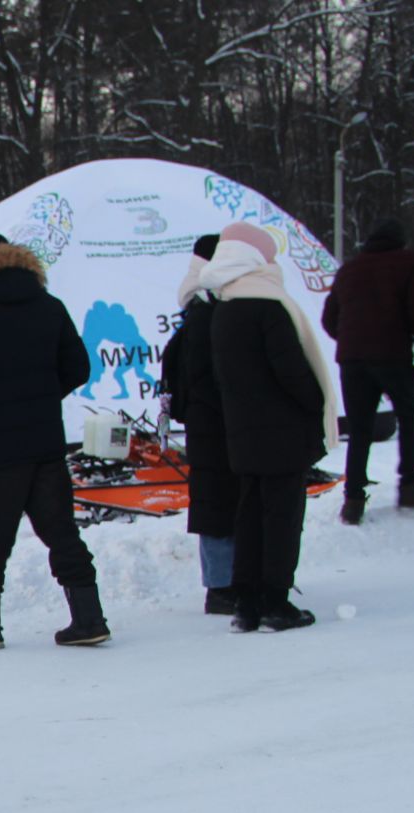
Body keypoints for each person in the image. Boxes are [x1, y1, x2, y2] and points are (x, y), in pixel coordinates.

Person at [0, 229, 108, 649]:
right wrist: (43, 398)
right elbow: (78, 367)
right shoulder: (47, 305)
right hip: (45, 441)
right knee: (62, 530)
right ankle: (89, 619)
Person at [204, 221, 336, 629]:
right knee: (282, 517)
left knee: (249, 513)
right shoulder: (268, 305)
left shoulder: (223, 307)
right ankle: (276, 600)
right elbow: (291, 371)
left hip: (242, 431)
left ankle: (245, 603)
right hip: (281, 431)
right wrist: (317, 404)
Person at [323, 217, 414, 522]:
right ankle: (410, 484)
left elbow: (329, 319)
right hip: (392, 354)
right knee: (408, 418)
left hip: (351, 359)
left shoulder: (349, 269)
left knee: (360, 429)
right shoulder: (410, 263)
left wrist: (351, 340)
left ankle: (353, 498)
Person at [159, 234, 241, 614]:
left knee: (216, 500)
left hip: (205, 422)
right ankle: (223, 586)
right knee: (220, 502)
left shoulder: (197, 304)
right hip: (216, 422)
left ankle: (225, 582)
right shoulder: (212, 308)